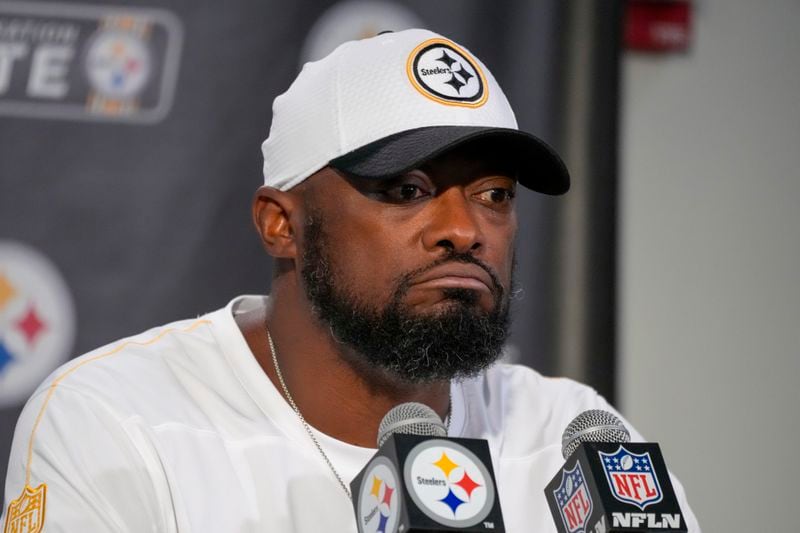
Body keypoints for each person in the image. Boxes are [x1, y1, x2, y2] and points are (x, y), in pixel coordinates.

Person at [2, 29, 700, 532]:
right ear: (282, 224)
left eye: (494, 194)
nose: (464, 229)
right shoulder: (119, 422)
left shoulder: (572, 438)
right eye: (407, 188)